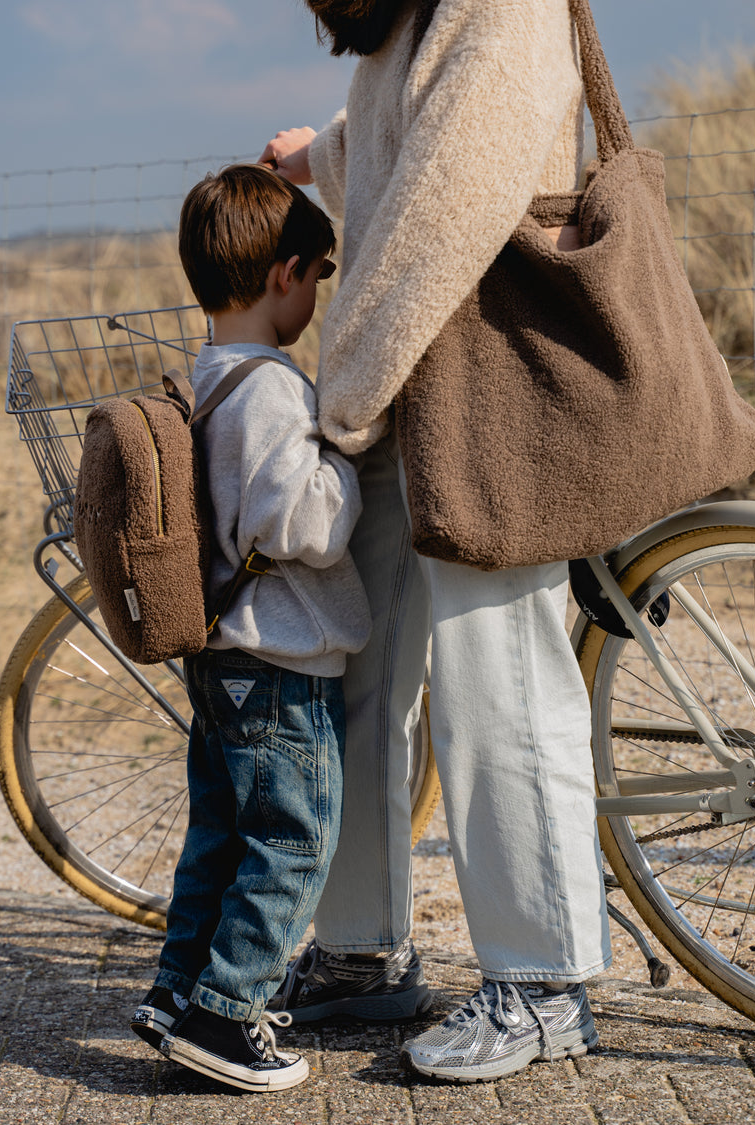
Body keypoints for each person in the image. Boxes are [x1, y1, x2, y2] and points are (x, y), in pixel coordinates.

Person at [261, 0, 612, 1084]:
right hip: (403, 382)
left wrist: (345, 394)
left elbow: (449, 199)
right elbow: (404, 125)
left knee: (496, 681)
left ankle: (546, 983)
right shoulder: (418, 11)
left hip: (475, 389)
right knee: (360, 671)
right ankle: (362, 951)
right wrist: (316, 155)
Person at [128, 163, 371, 1092]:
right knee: (293, 840)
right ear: (285, 274)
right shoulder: (270, 387)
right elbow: (296, 523)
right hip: (280, 660)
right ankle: (228, 1018)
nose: (316, 295)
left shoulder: (212, 370)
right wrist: (348, 463)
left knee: (222, 835)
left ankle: (177, 990)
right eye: (318, 276)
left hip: (225, 659)